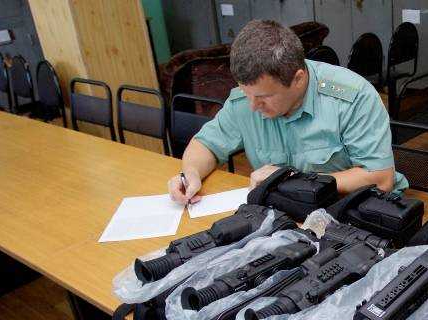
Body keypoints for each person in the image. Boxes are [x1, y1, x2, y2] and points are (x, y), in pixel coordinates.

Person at [168, 20, 408, 205]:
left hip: (353, 209)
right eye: (247, 94)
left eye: (263, 97)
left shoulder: (352, 98)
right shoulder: (247, 99)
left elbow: (380, 178)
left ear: (298, 79)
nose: (252, 106)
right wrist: (191, 173)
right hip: (287, 210)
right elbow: (206, 144)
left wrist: (294, 181)